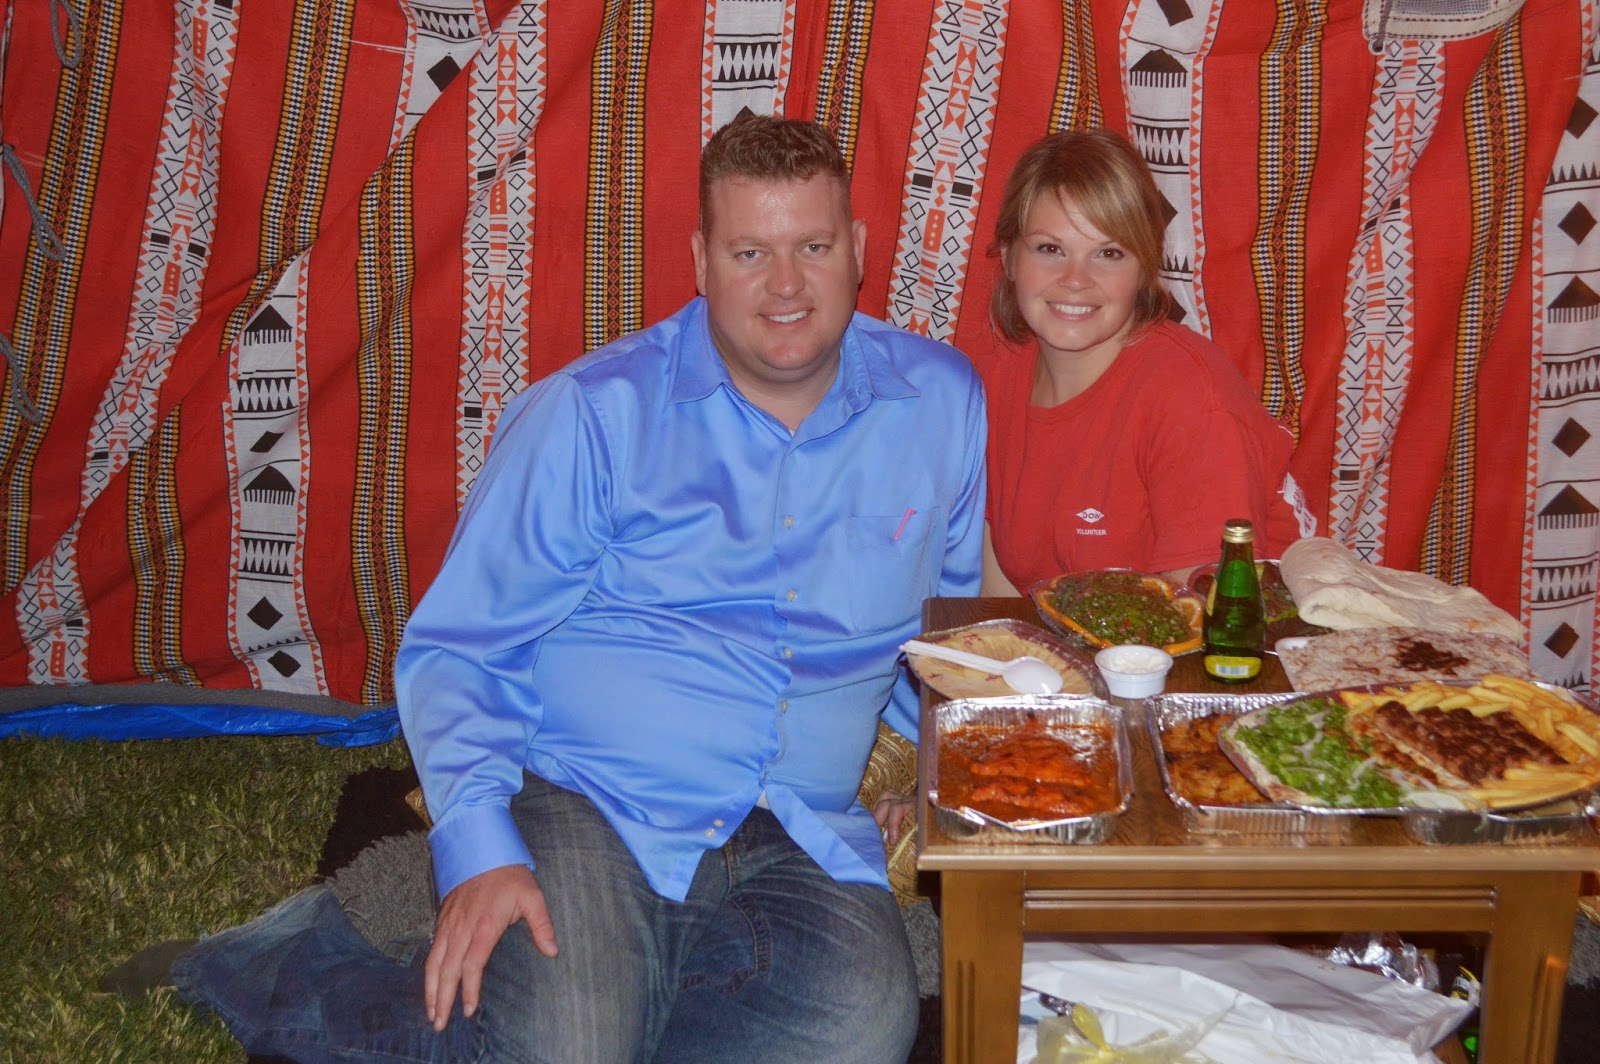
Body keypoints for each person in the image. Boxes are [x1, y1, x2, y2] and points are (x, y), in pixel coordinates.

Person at [166, 112, 984, 1064]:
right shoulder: (596, 414)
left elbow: (954, 638)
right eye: (750, 252)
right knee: (569, 1044)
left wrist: (932, 774)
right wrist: (481, 847)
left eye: (814, 245)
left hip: (803, 828)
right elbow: (462, 645)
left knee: (861, 1029)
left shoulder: (941, 404)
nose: (787, 285)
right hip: (596, 801)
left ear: (860, 249)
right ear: (701, 261)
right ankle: (291, 973)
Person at [974, 129, 1309, 596]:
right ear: (1010, 258)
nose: (1075, 279)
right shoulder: (991, 380)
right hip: (1079, 638)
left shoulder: (1192, 400)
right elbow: (1002, 584)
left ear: (1144, 271)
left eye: (1109, 253)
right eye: (1050, 249)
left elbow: (1199, 617)